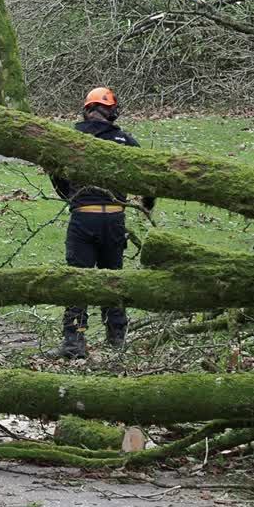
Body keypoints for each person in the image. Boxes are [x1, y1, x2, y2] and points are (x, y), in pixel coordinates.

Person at [47, 87, 155, 359]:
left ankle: (74, 342)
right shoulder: (124, 140)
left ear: (86, 110)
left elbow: (55, 173)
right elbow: (148, 177)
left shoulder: (70, 139)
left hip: (84, 217)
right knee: (112, 279)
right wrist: (147, 204)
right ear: (113, 111)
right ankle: (116, 339)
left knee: (78, 280)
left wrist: (70, 196)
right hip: (114, 217)